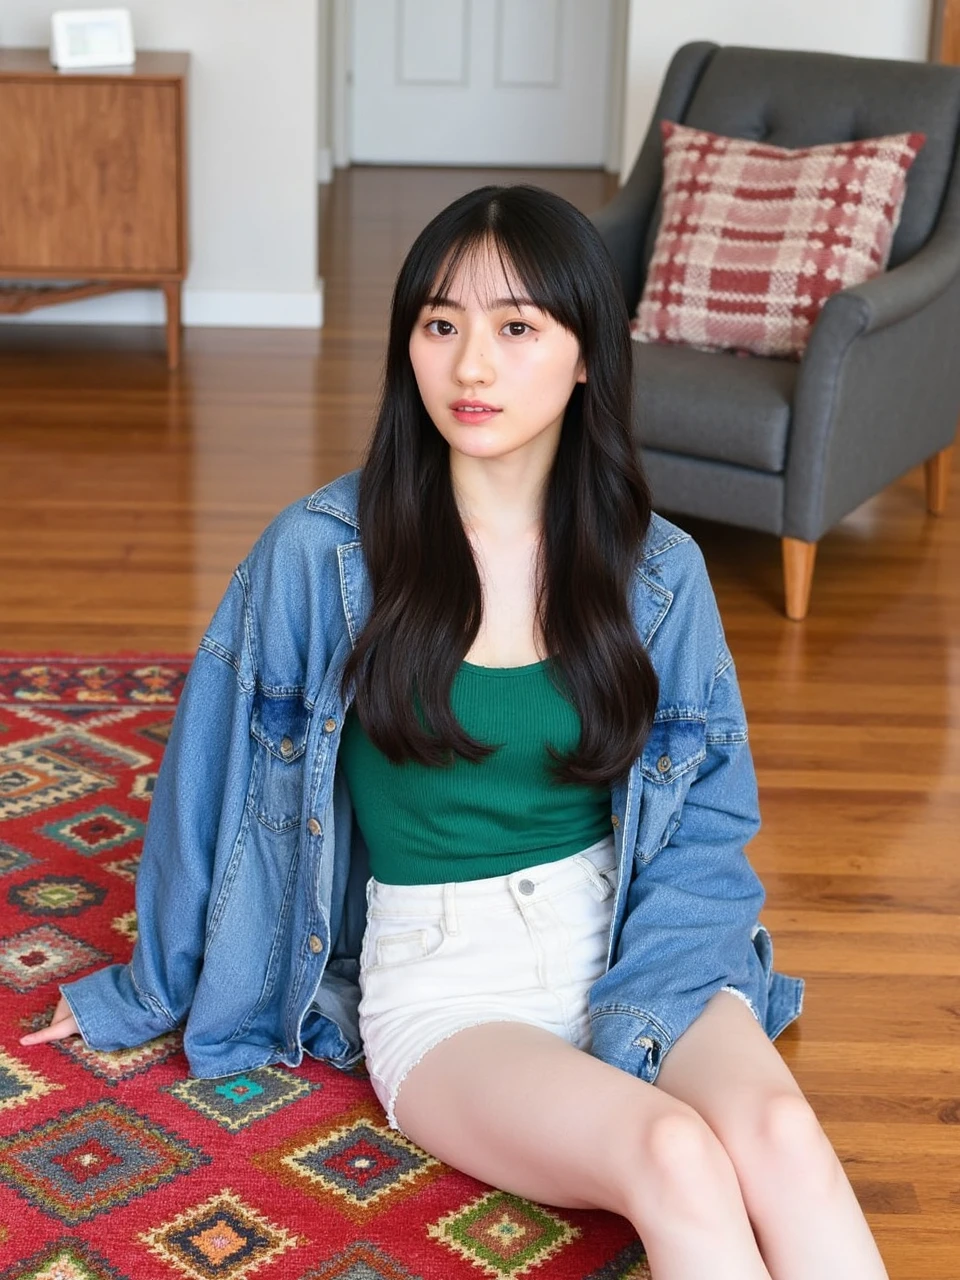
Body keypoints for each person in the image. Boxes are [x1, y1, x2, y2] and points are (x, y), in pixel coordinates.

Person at [21, 185, 887, 1279]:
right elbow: (211, 790)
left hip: (630, 931)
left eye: (516, 327)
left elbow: (710, 815)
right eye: (441, 324)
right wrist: (140, 990)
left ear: (586, 357)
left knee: (783, 1143)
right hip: (446, 978)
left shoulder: (660, 570)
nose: (471, 366)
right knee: (675, 1155)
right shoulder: (320, 556)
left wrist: (646, 998)